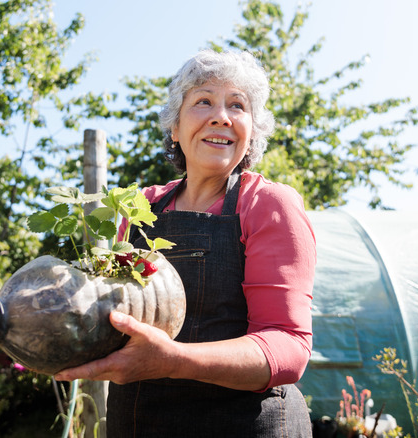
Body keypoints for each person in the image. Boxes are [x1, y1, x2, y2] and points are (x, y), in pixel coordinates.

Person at [54, 49, 316, 437]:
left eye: (237, 105)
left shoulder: (268, 204)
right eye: (204, 100)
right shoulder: (140, 206)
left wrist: (173, 360)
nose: (221, 116)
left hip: (243, 424)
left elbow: (287, 346)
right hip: (140, 422)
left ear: (253, 132)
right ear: (174, 127)